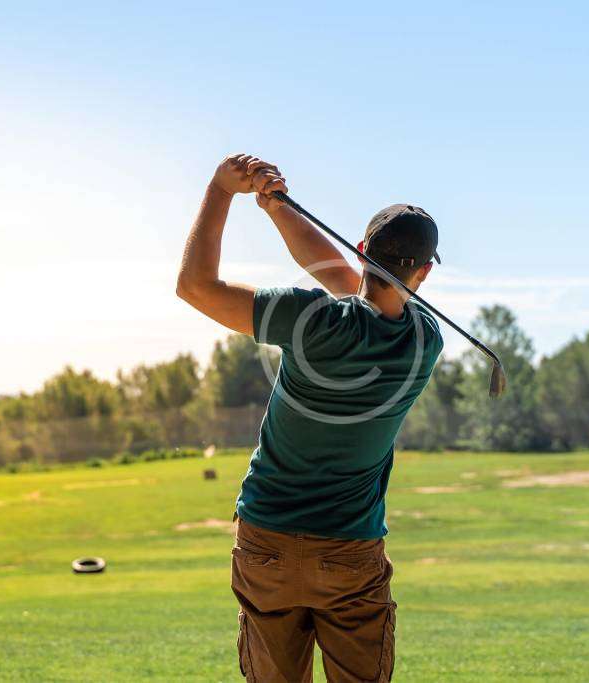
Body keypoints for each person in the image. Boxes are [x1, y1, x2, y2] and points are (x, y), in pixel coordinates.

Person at [177, 154, 443, 682]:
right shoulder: (424, 340)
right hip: (350, 552)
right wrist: (277, 210)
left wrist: (221, 191)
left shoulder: (308, 318)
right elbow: (347, 282)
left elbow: (196, 287)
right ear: (426, 269)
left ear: (363, 249)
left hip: (266, 541)